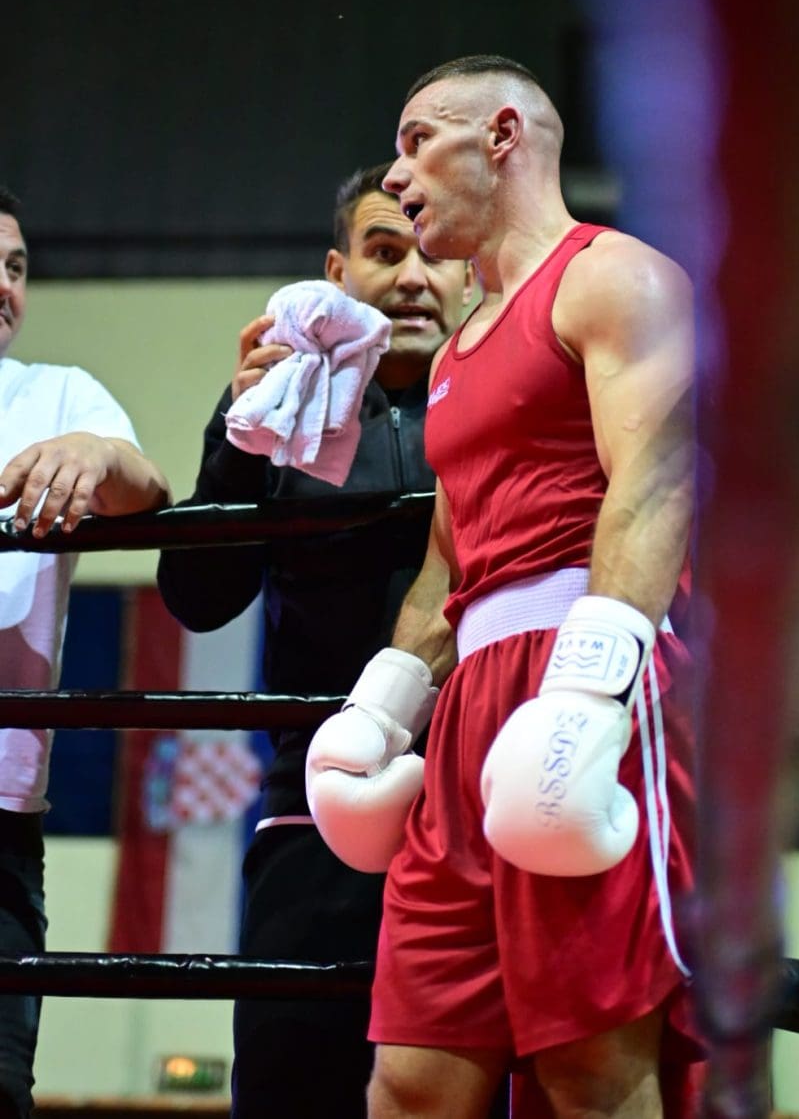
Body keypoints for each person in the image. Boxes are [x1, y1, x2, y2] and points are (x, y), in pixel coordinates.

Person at [305, 57, 703, 1119]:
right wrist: (381, 711)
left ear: (502, 134)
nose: (397, 175)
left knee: (589, 1069)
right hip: (469, 712)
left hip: (589, 676)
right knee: (413, 1077)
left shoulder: (616, 277)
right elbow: (449, 560)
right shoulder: (457, 351)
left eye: (416, 139)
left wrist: (584, 694)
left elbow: (654, 483)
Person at [156, 163, 474, 1119]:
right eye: (383, 250)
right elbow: (197, 600)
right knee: (292, 1085)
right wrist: (237, 437)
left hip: (475, 805)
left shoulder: (509, 407)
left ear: (469, 271)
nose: (411, 276)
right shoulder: (283, 403)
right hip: (313, 809)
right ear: (337, 273)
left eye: (432, 254)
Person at [0, 186, 170, 1119]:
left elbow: (146, 490)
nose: (5, 285)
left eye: (17, 266)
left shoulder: (57, 395)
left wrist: (98, 454)